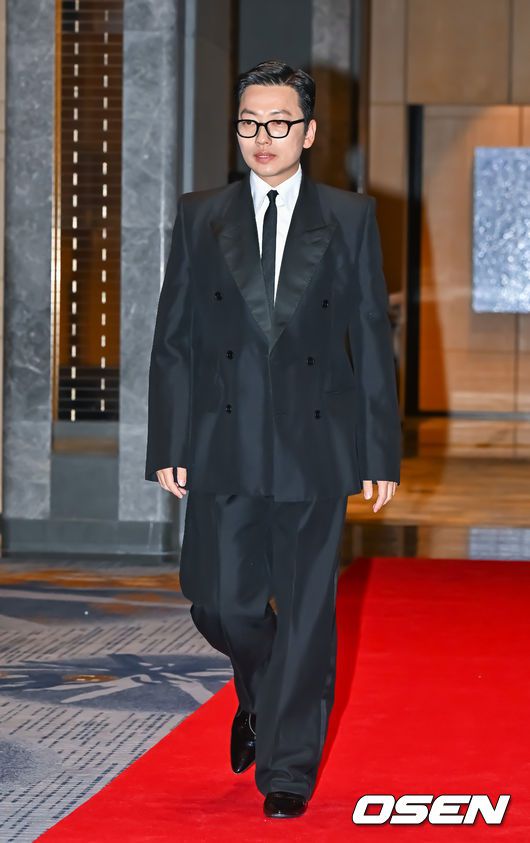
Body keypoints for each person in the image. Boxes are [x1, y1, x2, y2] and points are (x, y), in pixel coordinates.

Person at [145, 60, 401, 819]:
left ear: (309, 132)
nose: (264, 136)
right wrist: (168, 440)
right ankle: (259, 694)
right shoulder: (201, 215)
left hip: (314, 446)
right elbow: (174, 338)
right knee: (219, 605)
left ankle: (288, 767)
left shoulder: (349, 218)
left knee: (308, 612)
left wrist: (378, 451)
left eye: (280, 122)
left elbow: (369, 338)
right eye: (250, 122)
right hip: (221, 440)